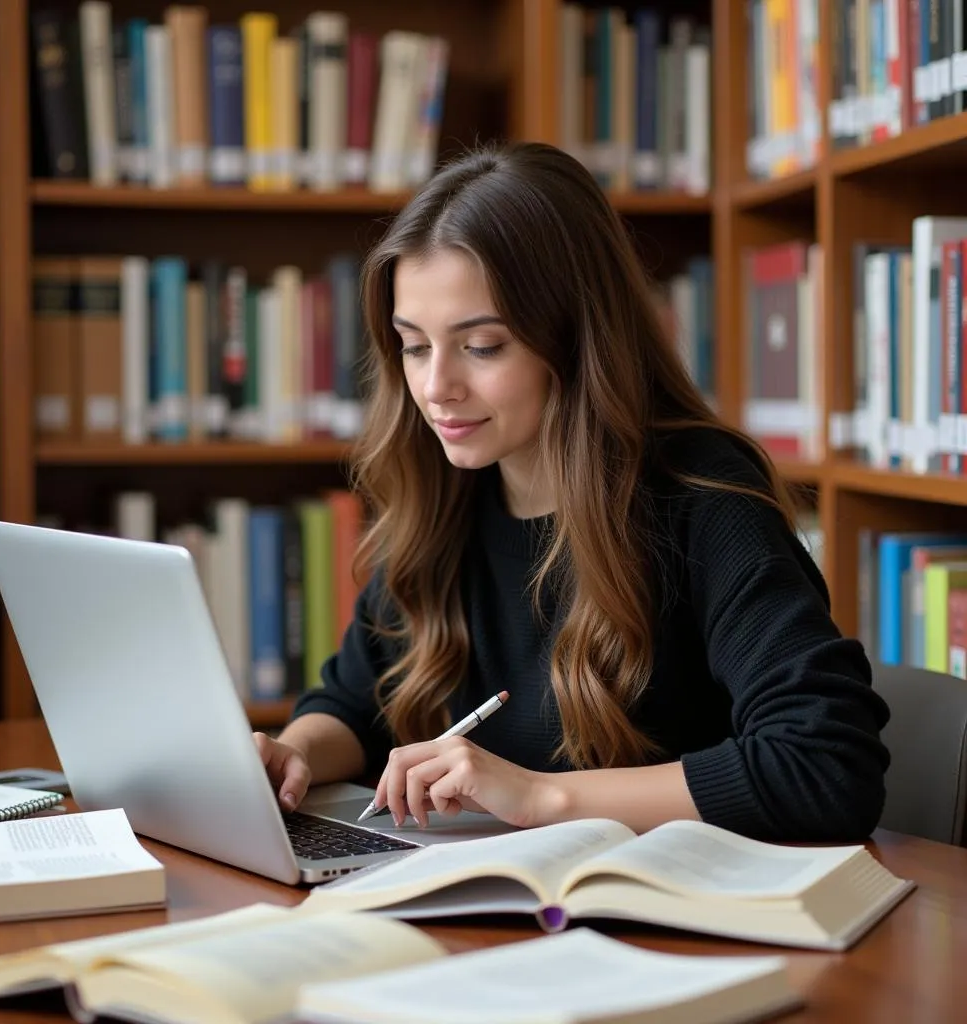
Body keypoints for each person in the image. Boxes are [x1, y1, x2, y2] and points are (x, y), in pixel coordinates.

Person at [254, 141, 890, 843]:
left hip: (665, 920)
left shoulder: (704, 496)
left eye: (482, 345)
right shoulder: (448, 492)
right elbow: (353, 700)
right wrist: (296, 753)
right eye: (414, 345)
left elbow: (825, 767)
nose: (436, 388)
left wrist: (540, 796)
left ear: (576, 339)